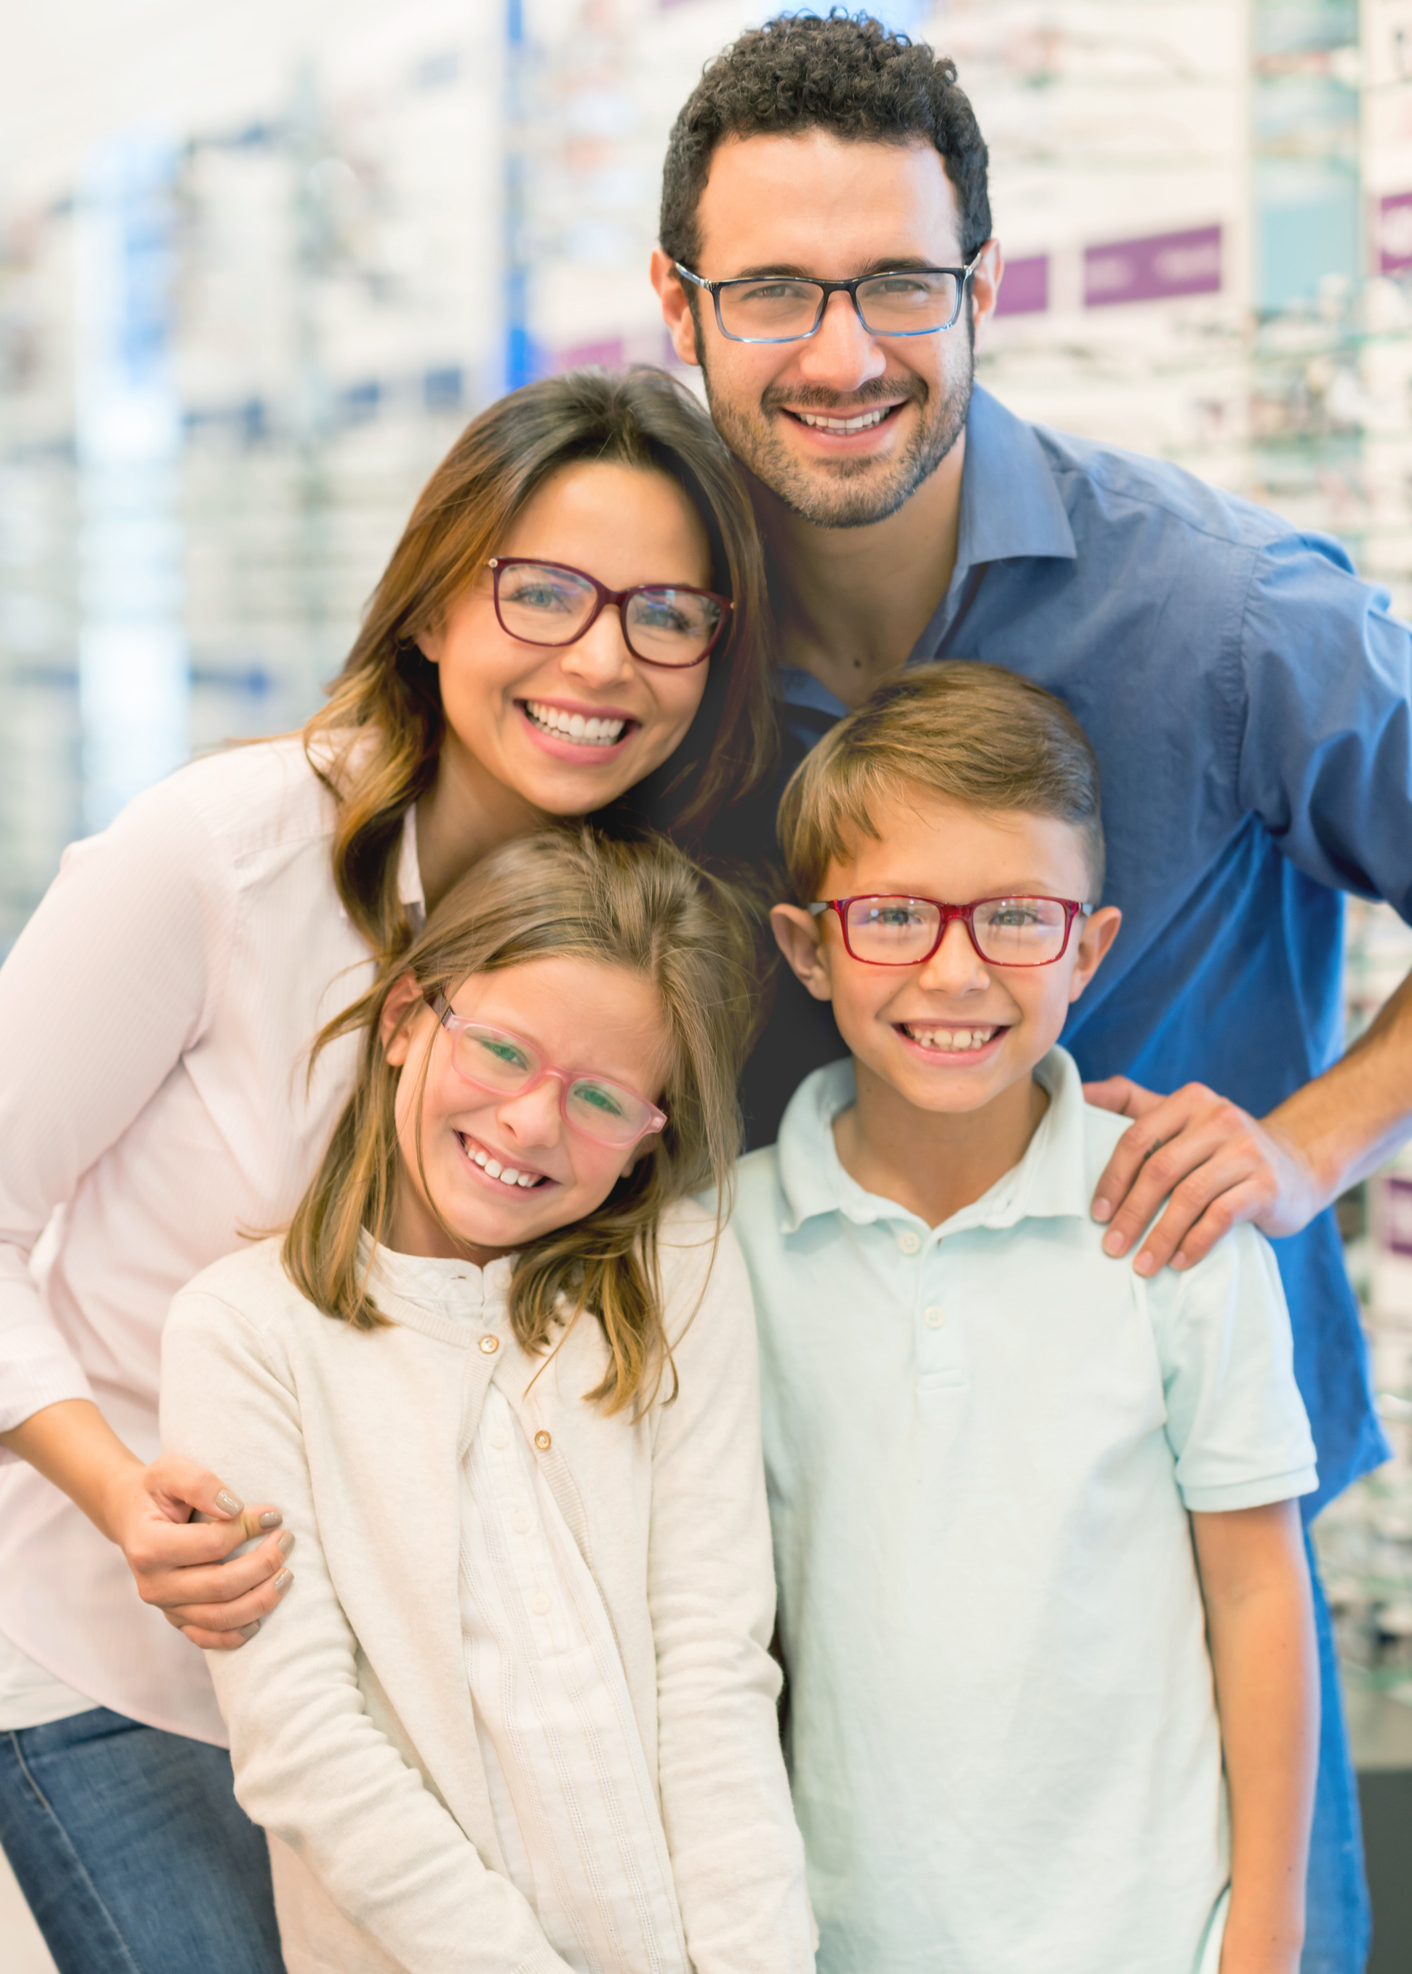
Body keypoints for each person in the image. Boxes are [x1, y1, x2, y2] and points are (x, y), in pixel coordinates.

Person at [653, 10, 1411, 1969]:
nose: (839, 353)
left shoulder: (1226, 615)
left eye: (899, 283)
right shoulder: (653, 634)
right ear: (678, 304)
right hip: (777, 1526)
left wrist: (1307, 1151)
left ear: (981, 289)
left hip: (1168, 1532)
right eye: (772, 293)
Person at [0, 365, 777, 1971]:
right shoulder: (221, 853)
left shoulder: (651, 924)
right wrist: (118, 1493)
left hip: (423, 1678)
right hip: (120, 1641)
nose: (599, 658)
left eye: (665, 615)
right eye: (543, 592)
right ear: (432, 606)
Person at [732, 658, 1320, 1974]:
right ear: (807, 946)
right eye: (891, 915)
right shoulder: (724, 1246)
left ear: (1089, 948)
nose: (953, 973)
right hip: (824, 1938)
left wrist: (1265, 1942)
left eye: (1014, 917)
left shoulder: (1177, 1234)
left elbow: (1257, 1590)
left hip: (1148, 1938)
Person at [160, 825, 813, 1974]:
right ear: (409, 1013)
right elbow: (303, 1745)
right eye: (504, 1050)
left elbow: (711, 1670)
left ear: (649, 1141)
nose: (528, 1122)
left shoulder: (678, 1271)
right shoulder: (245, 1331)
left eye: (605, 1097)